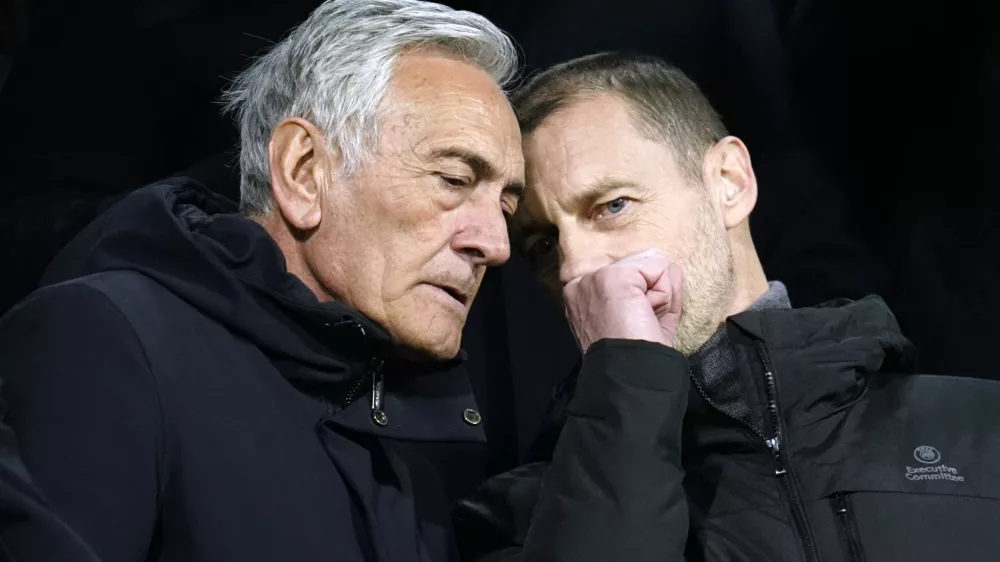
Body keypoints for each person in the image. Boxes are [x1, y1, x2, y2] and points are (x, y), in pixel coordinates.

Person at [0, 0, 524, 560]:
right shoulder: (103, 340)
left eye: (508, 210)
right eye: (453, 179)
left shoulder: (410, 429)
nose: (495, 244)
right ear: (303, 172)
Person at [454, 52, 1000, 562]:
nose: (575, 266)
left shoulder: (977, 427)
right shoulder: (528, 513)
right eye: (543, 245)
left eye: (612, 206)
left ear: (730, 183)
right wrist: (626, 378)